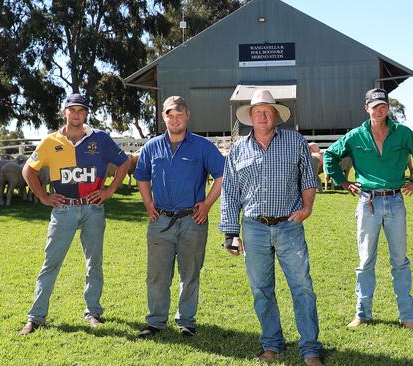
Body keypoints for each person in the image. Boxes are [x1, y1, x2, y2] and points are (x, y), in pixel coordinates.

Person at [219, 89, 323, 366]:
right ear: (250, 118)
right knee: (261, 289)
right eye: (257, 112)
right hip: (253, 228)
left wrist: (307, 209)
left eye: (267, 111)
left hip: (289, 225)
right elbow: (230, 192)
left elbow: (308, 178)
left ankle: (310, 348)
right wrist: (231, 233)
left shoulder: (295, 141)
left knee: (302, 287)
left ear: (276, 115)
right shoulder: (238, 149)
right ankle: (271, 343)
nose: (262, 115)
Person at [323, 88, 413, 332]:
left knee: (400, 261)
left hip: (395, 201)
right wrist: (342, 181)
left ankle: (408, 317)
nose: (379, 109)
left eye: (383, 105)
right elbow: (329, 156)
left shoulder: (403, 133)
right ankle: (362, 314)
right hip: (367, 202)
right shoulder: (355, 136)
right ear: (367, 108)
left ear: (387, 108)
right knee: (365, 261)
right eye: (374, 106)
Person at [19, 93, 131, 335]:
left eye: (81, 110)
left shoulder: (100, 139)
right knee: (50, 263)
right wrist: (43, 196)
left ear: (86, 114)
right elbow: (28, 170)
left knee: (94, 264)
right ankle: (36, 317)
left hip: (93, 208)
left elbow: (124, 162)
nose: (77, 114)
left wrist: (110, 189)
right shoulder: (51, 141)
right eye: (73, 109)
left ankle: (93, 312)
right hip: (63, 209)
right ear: (64, 113)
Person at [134, 96, 224, 338]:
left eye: (179, 114)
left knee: (190, 273)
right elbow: (141, 176)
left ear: (187, 116)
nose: (174, 119)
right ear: (163, 117)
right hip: (159, 221)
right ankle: (155, 321)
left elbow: (222, 175)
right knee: (156, 275)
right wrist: (148, 204)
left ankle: (186, 321)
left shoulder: (203, 146)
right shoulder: (152, 146)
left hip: (192, 221)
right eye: (169, 115)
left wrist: (207, 204)